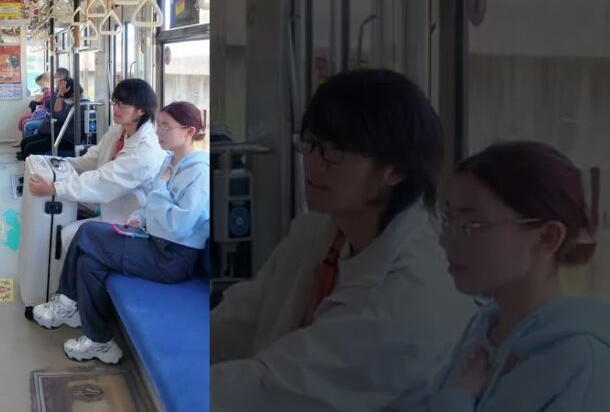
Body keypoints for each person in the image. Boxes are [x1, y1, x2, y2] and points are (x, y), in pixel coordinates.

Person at [210, 69, 475, 410]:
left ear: (395, 170)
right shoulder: (322, 231)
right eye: (311, 144)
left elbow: (275, 388)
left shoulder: (410, 290)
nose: (314, 164)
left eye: (336, 151)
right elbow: (244, 315)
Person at [429, 141, 610, 411]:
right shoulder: (481, 330)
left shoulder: (578, 361)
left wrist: (454, 400)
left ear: (547, 237)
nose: (445, 240)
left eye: (470, 225)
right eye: (447, 218)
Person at [30, 102, 209, 363]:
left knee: (88, 233)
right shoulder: (170, 161)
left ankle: (66, 301)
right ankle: (100, 341)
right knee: (89, 262)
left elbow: (178, 225)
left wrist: (160, 188)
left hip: (171, 257)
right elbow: (152, 207)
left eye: (166, 127)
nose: (159, 131)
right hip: (154, 242)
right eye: (158, 125)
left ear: (189, 131)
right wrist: (139, 217)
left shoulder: (198, 173)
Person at [28, 78, 167, 250]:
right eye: (115, 102)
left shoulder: (145, 150)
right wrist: (62, 163)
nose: (115, 108)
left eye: (122, 105)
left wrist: (55, 188)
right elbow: (92, 158)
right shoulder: (119, 130)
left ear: (141, 111)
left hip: (130, 213)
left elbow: (104, 180)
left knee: (68, 234)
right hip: (110, 201)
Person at [18, 77, 82, 160]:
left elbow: (57, 115)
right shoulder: (71, 103)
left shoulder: (79, 106)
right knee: (24, 142)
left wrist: (60, 95)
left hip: (67, 139)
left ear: (68, 89)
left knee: (30, 148)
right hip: (58, 134)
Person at [23, 68, 70, 138]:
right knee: (26, 122)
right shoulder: (57, 89)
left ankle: (28, 141)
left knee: (27, 125)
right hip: (49, 116)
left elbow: (52, 107)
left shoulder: (62, 91)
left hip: (54, 120)